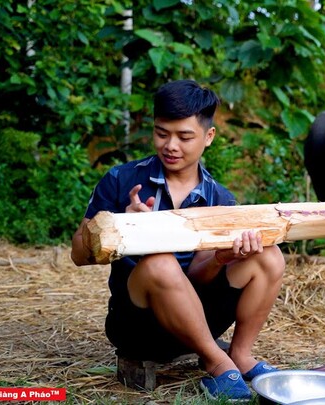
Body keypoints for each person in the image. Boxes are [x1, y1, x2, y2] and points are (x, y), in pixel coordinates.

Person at [70, 79, 285, 401]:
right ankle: (217, 362)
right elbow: (77, 254)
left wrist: (221, 258)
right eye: (161, 133)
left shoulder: (220, 199)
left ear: (208, 137)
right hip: (139, 328)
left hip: (198, 323)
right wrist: (122, 227)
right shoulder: (122, 179)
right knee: (159, 261)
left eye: (185, 137)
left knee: (270, 256)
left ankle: (240, 354)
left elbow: (198, 276)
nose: (171, 145)